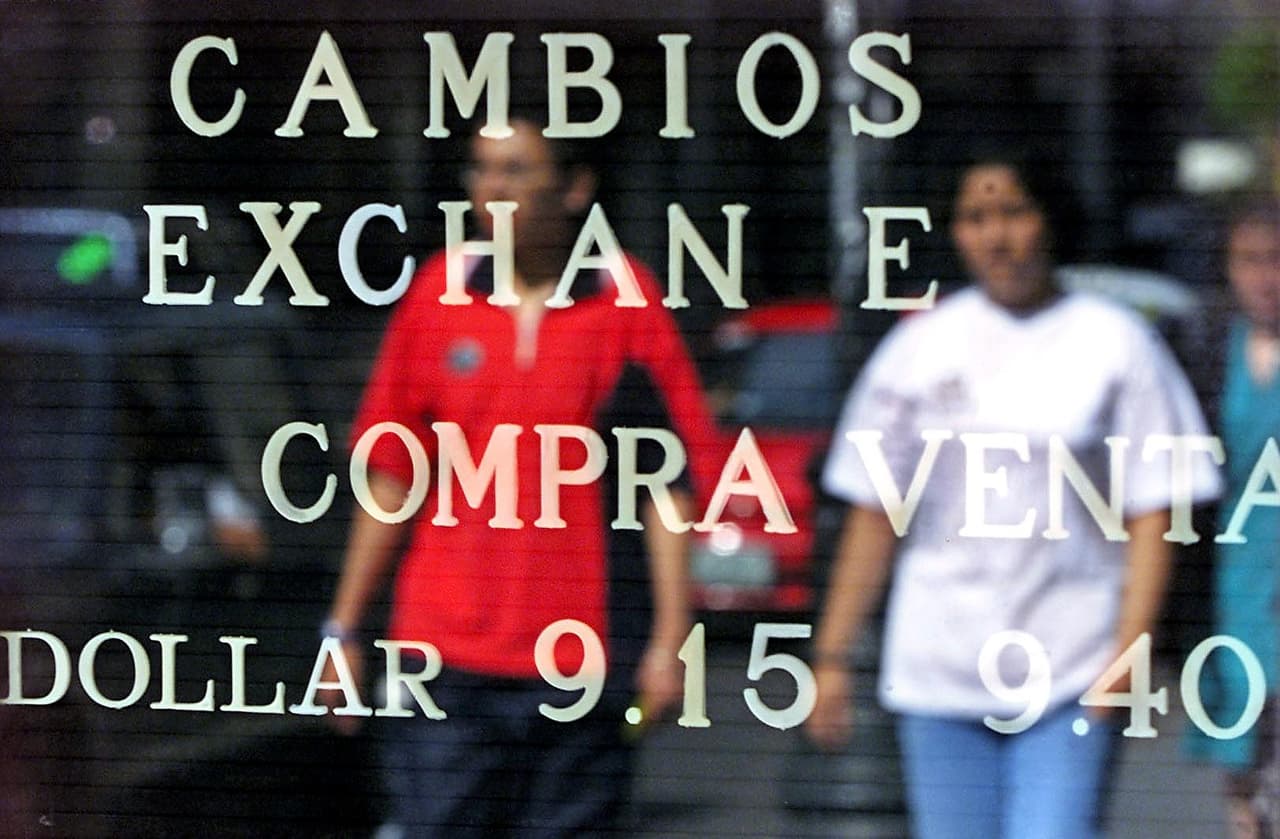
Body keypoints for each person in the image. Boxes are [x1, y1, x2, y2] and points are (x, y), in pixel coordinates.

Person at [318, 116, 718, 836]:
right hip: (444, 653)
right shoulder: (438, 294)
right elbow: (391, 477)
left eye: (517, 171)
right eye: (481, 170)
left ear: (573, 187)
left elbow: (666, 483)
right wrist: (342, 628)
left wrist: (670, 639)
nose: (493, 189)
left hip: (581, 656)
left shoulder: (625, 299)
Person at [805, 146, 1221, 838]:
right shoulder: (921, 347)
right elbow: (875, 510)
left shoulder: (1114, 342)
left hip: (1071, 665)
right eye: (975, 217)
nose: (996, 235)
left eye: (1013, 212)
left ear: (1049, 219)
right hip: (939, 669)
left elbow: (1156, 506)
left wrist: (1130, 650)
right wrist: (831, 653)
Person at [1186, 198, 1280, 839]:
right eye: (1249, 260)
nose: (1265, 276)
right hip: (1233, 583)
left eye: (1277, 259)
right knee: (1243, 776)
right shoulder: (1210, 349)